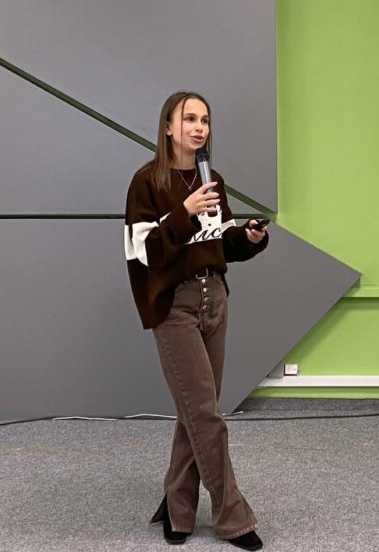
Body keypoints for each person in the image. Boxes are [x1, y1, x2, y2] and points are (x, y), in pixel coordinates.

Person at [124, 91, 268, 550]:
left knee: (195, 411)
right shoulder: (147, 182)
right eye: (189, 119)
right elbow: (146, 253)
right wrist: (184, 213)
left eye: (204, 120)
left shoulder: (213, 180)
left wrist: (247, 238)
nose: (199, 127)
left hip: (214, 299)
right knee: (206, 413)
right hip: (175, 305)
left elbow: (218, 243)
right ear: (168, 127)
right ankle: (233, 516)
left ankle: (178, 507)